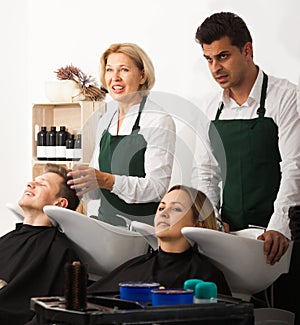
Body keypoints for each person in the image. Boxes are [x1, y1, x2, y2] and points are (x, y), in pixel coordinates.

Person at [192, 12, 300, 266]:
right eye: (208, 60)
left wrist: (279, 227)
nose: (215, 68)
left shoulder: (286, 98)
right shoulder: (209, 108)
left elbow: (294, 167)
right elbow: (207, 173)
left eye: (223, 56)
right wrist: (213, 223)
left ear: (247, 50)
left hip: (281, 234)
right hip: (232, 236)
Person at [67, 43, 176, 227]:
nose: (115, 78)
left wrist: (107, 180)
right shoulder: (105, 120)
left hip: (142, 230)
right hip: (105, 224)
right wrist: (78, 183)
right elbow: (96, 186)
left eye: (124, 70)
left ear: (142, 75)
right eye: (109, 70)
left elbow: (157, 188)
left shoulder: (157, 120)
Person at [88, 185, 231, 296]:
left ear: (198, 224)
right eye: (161, 207)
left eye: (176, 208)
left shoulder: (206, 277)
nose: (163, 212)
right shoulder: (137, 267)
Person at [0, 164, 81, 325]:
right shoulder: (11, 238)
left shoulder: (58, 250)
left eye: (42, 184)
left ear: (59, 203)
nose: (30, 184)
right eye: (33, 181)